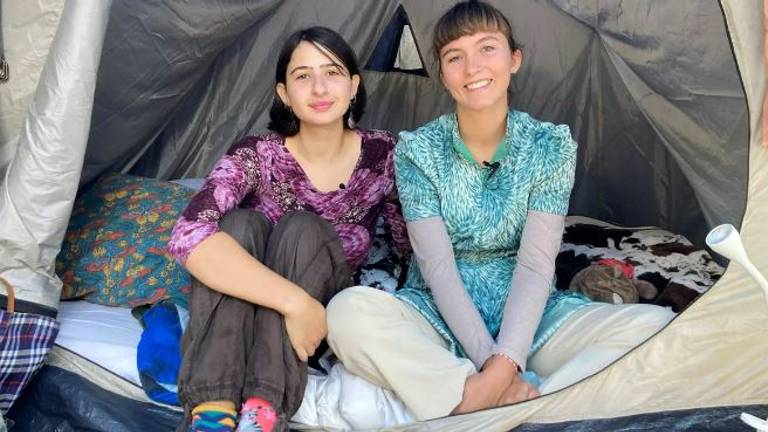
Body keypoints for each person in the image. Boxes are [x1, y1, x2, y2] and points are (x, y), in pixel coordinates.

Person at [326, 1, 675, 421]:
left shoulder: (549, 146)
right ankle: (521, 402)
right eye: (455, 57)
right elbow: (436, 266)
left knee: (653, 330)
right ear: (443, 73)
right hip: (438, 316)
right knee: (347, 313)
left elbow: (535, 264)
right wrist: (495, 370)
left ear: (514, 60)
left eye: (487, 48)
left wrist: (506, 359)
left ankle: (469, 405)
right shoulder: (418, 151)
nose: (473, 67)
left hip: (532, 320)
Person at [168, 26, 409, 432]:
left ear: (353, 86)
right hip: (272, 303)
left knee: (302, 229)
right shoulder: (256, 154)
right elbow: (188, 234)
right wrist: (294, 302)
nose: (319, 87)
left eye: (332, 73)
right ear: (284, 93)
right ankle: (212, 412)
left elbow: (408, 245)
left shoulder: (385, 155)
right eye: (302, 76)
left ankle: (262, 412)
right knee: (238, 224)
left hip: (319, 314)